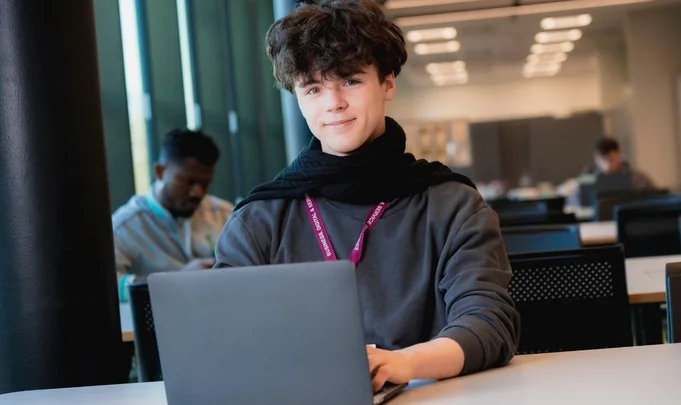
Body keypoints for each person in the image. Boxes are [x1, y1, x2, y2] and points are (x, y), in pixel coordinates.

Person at [214, 0, 519, 392]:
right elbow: (224, 340)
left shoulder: (452, 205)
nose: (333, 103)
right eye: (313, 88)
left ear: (387, 82)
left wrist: (404, 363)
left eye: (351, 81)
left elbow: (490, 322)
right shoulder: (259, 220)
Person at [113, 129, 233, 302]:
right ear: (160, 172)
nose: (198, 193)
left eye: (205, 184)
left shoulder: (225, 215)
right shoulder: (126, 226)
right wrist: (174, 280)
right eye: (188, 181)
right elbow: (101, 285)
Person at [586, 137, 654, 189]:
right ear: (596, 160)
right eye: (602, 160)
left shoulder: (637, 177)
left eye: (611, 158)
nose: (607, 164)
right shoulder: (589, 178)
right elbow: (577, 200)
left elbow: (654, 198)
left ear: (619, 155)